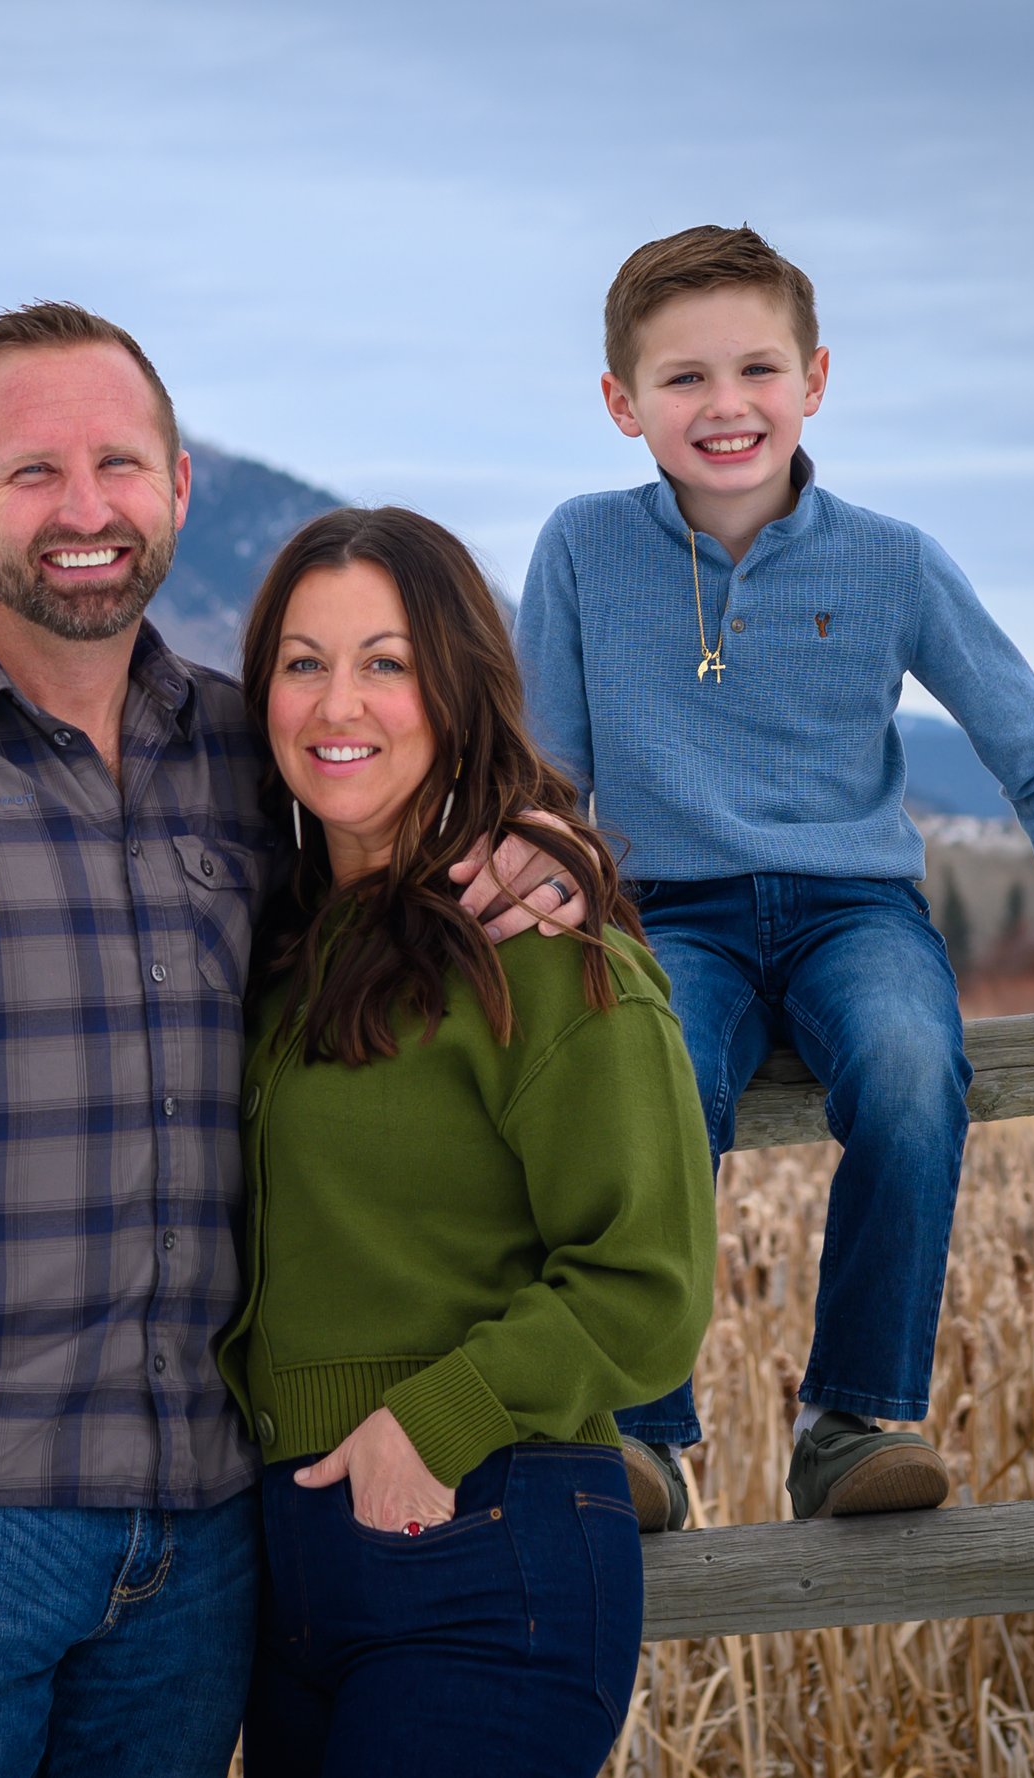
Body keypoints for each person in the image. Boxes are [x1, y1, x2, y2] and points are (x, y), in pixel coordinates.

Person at [0, 302, 585, 1776]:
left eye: (121, 464)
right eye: (35, 472)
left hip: (210, 1547)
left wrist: (536, 843)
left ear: (177, 487)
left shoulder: (249, 752)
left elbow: (412, 843)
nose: (85, 510)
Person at [515, 224, 1034, 1532]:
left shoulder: (891, 559)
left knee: (905, 1067)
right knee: (652, 1083)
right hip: (671, 912)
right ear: (621, 403)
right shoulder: (582, 549)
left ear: (815, 381)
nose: (726, 405)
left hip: (855, 912)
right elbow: (548, 770)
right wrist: (547, 887)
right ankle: (641, 1426)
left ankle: (850, 1422)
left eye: (758, 369)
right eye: (683, 379)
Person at [219, 505, 717, 1776]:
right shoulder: (276, 949)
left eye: (386, 661)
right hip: (287, 1580)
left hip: (488, 1544)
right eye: (302, 660)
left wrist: (436, 1419)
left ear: (457, 688)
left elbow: (647, 1277)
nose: (341, 701)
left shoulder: (544, 954)